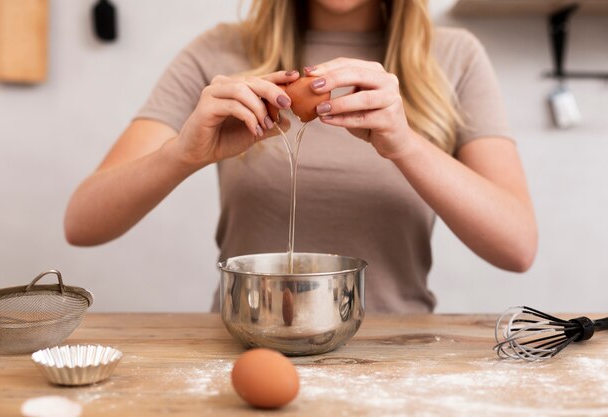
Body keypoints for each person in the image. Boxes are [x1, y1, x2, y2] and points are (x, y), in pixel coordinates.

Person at [64, 0, 538, 313]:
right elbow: (83, 222)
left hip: (397, 352)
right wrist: (183, 155)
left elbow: (517, 246)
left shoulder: (454, 57)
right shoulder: (219, 51)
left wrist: (407, 146)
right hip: (244, 345)